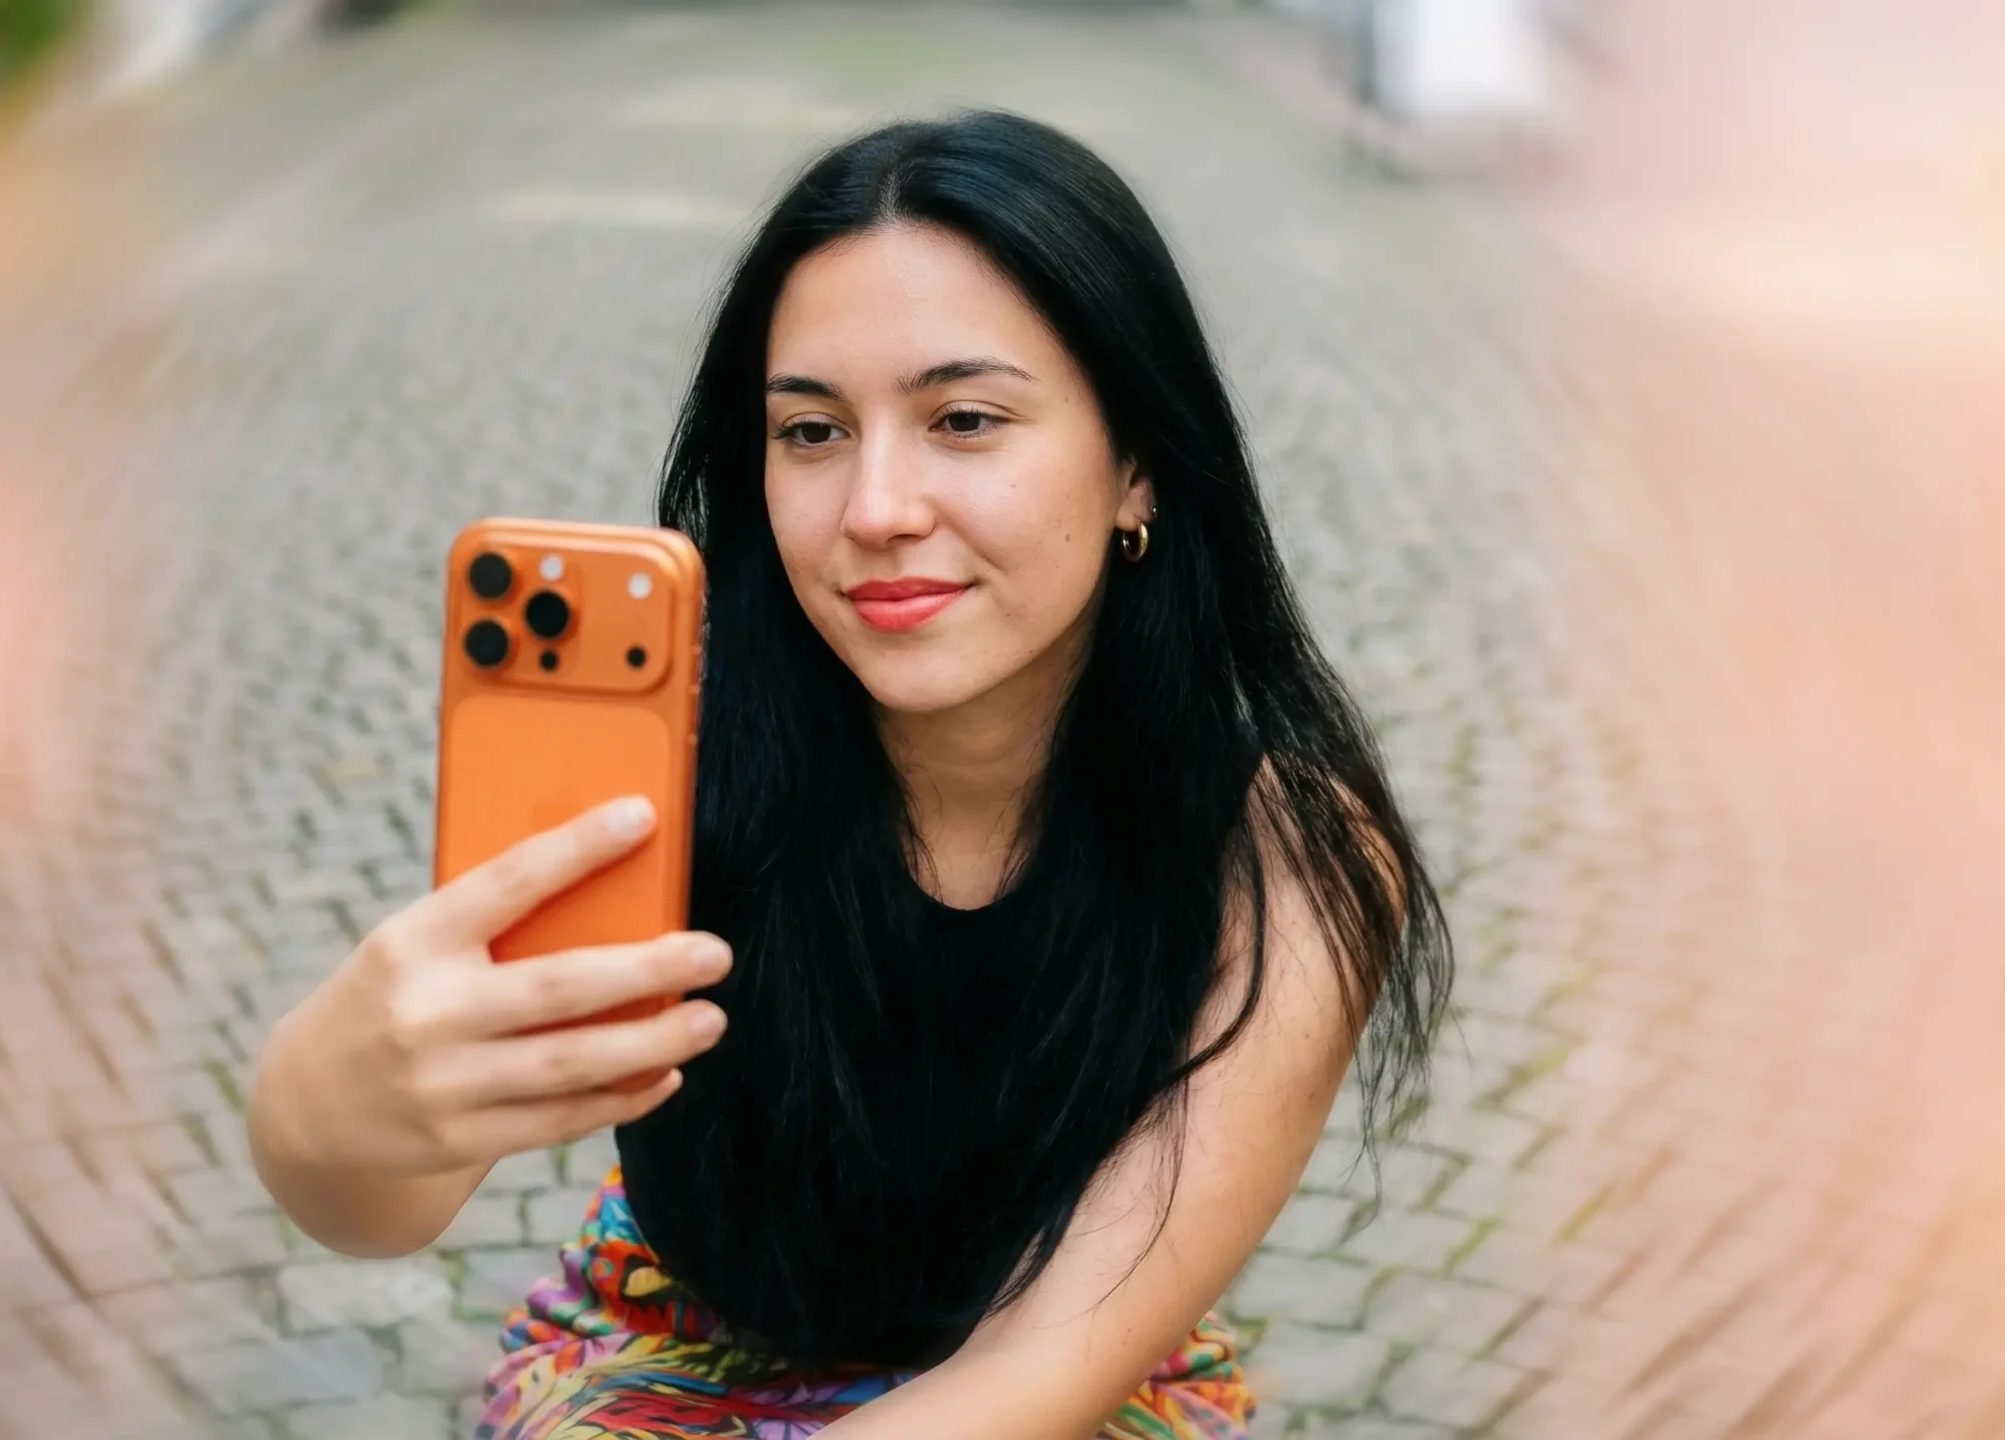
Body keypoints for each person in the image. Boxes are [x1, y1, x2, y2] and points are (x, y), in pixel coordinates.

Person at [247, 110, 1451, 1439]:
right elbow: (378, 1207)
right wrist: (343, 1095)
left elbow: (1048, 1367)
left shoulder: (1277, 847)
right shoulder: (668, 768)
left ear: (1139, 466)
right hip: (665, 1344)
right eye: (812, 432)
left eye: (967, 419)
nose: (876, 509)